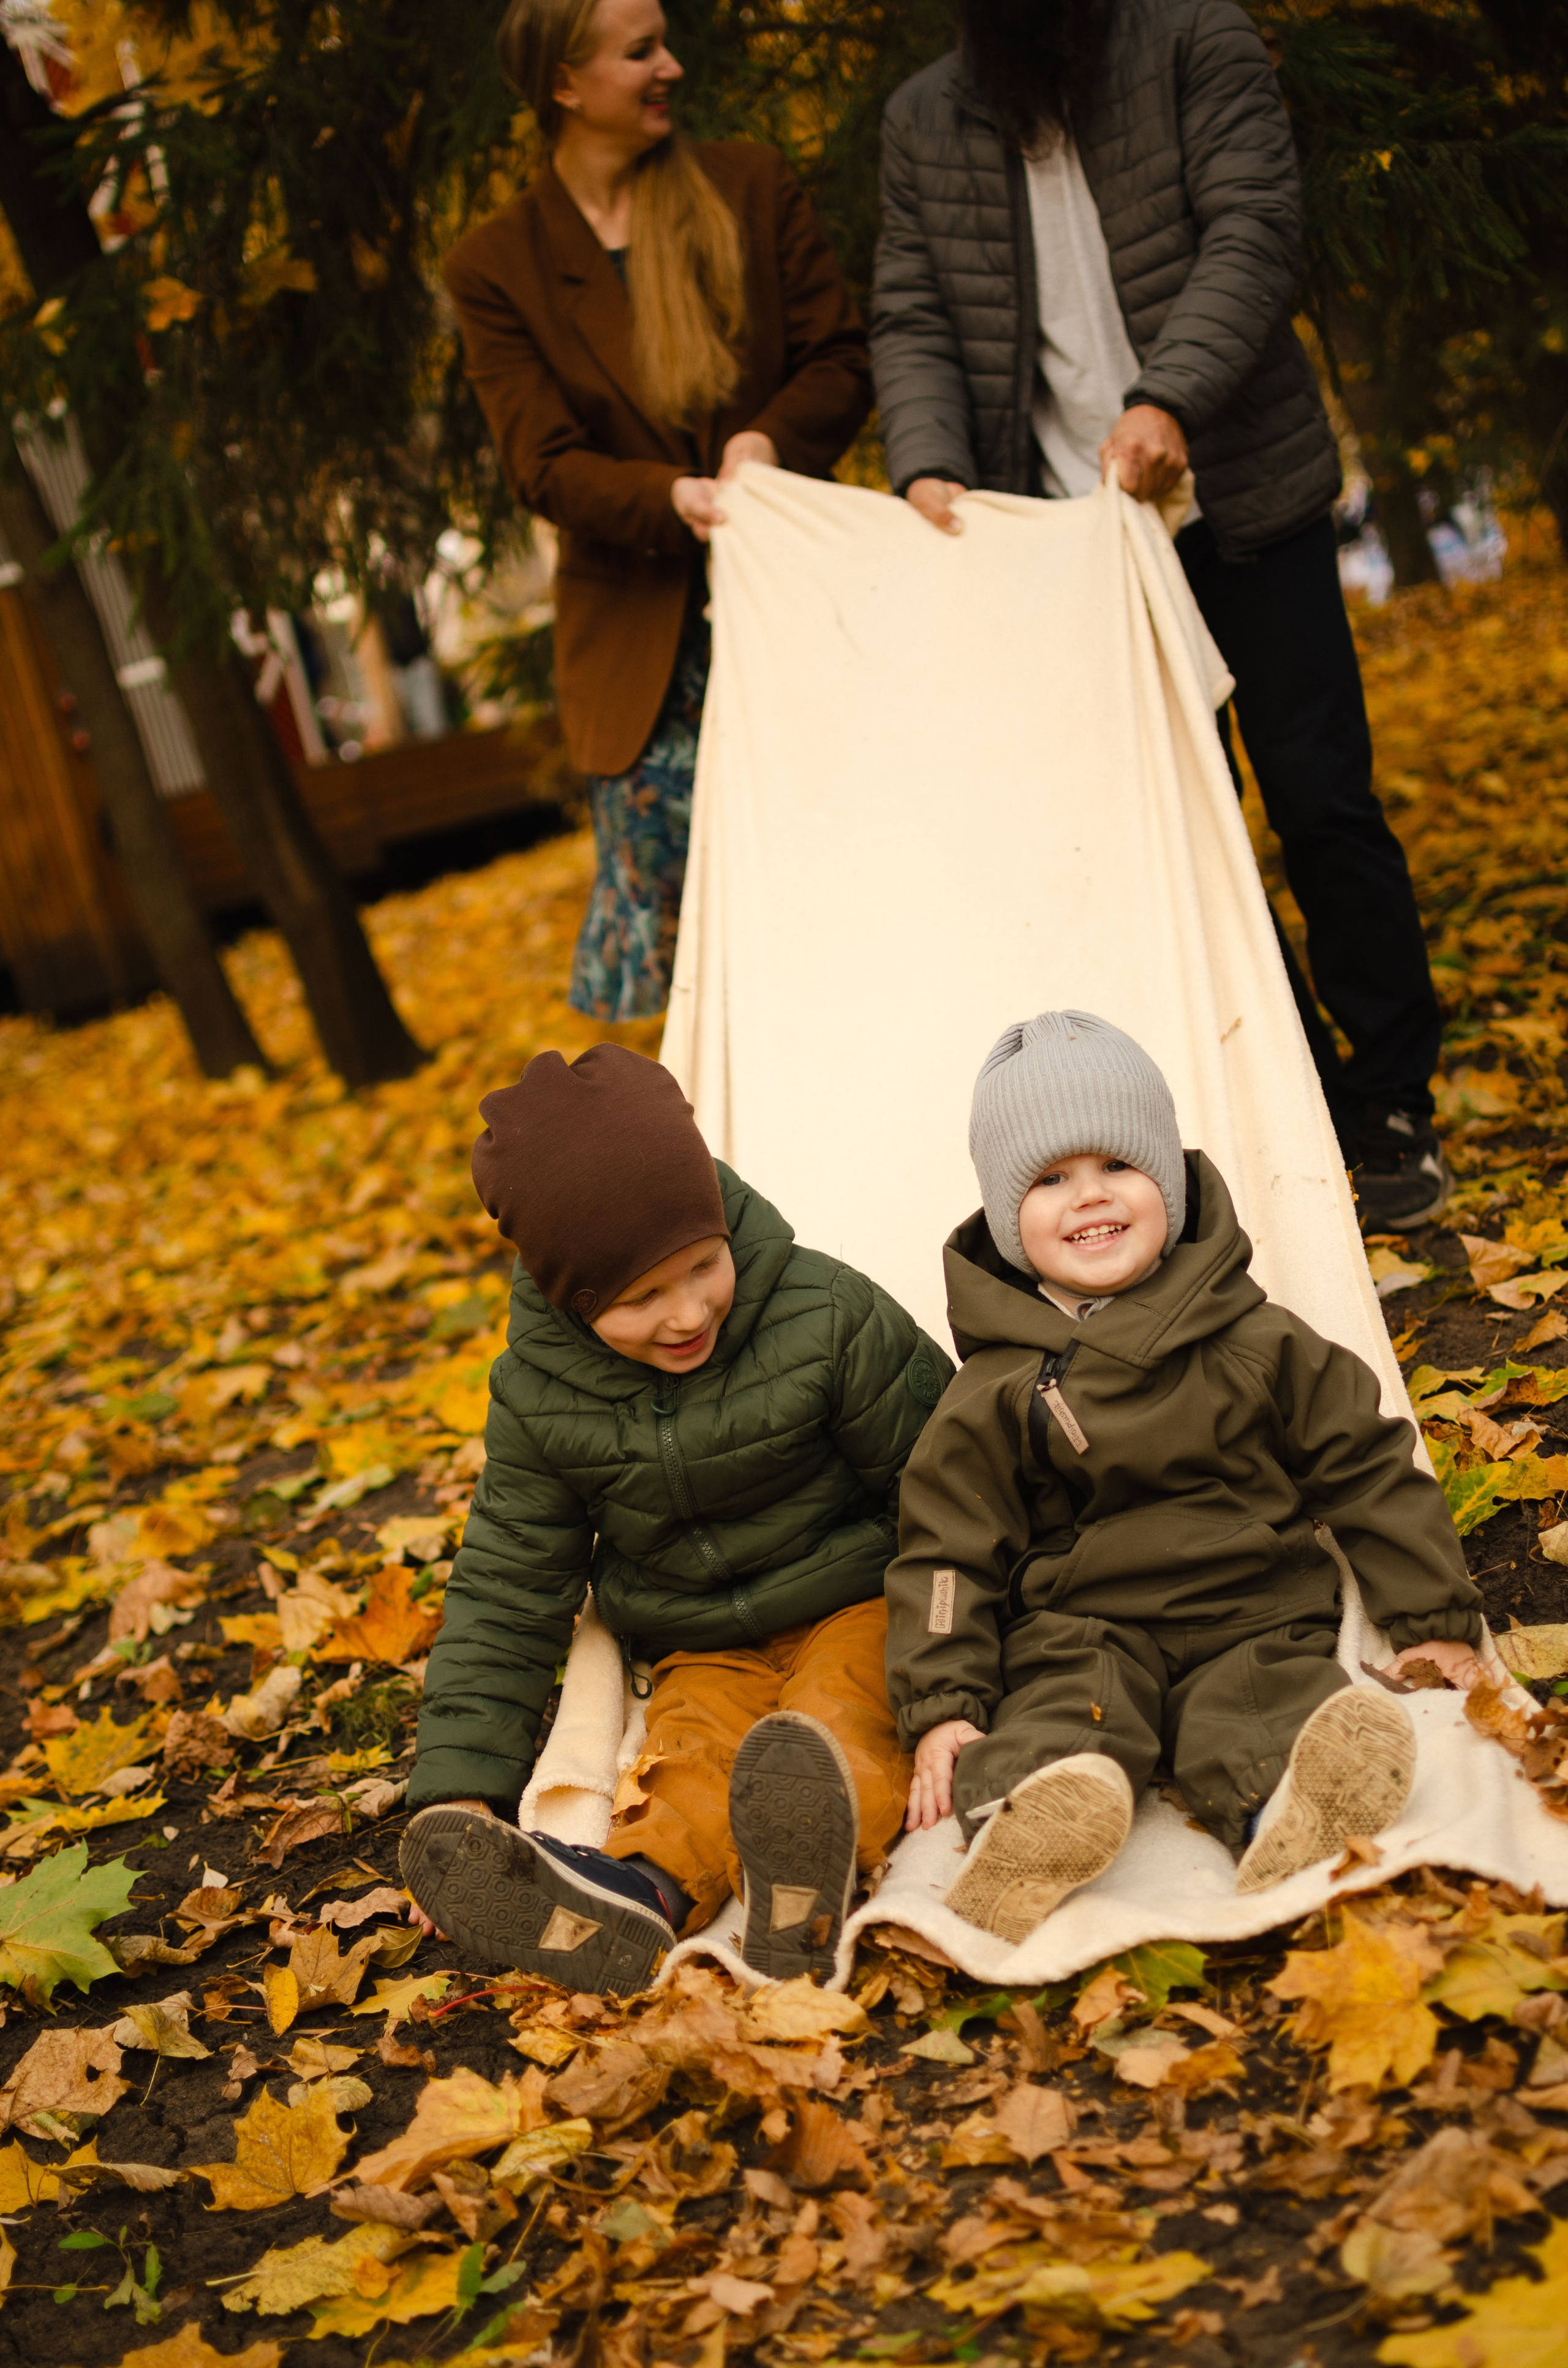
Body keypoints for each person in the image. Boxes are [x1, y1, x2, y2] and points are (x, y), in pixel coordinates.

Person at [869, 0, 1449, 1231]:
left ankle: (1396, 1101)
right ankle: (1300, 1111)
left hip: (1240, 503)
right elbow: (911, 309)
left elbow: (1253, 229)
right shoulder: (925, 115)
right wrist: (922, 458)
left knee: (1318, 800)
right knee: (1186, 846)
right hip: (1069, 554)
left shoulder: (1194, 42)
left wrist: (1168, 395)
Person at [885, 1012, 1482, 1945]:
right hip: (1083, 1623)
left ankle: (1290, 1808)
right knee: (1065, 1711)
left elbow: (1366, 1464)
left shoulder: (1255, 1338)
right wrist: (943, 1704)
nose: (1089, 1198)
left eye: (1117, 1167)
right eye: (1048, 1180)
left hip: (1248, 1606)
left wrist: (1433, 1617)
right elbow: (946, 1552)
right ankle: (1029, 1822)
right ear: (1009, 1221)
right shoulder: (998, 1386)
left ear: (1165, 1177)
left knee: (1267, 1704)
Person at [401, 1044, 952, 1991]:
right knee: (692, 1758)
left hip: (858, 1597)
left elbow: (948, 1489)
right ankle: (637, 1895)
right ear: (573, 1304)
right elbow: (508, 1578)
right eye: (639, 1297)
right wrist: (463, 1780)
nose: (686, 1311)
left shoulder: (825, 1315)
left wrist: (957, 1671)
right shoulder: (541, 1392)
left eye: (703, 1265)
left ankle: (802, 1887)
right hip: (700, 1641)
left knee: (838, 1724)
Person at [442, 0, 871, 1022]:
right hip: (642, 665)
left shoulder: (750, 187)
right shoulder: (496, 267)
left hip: (802, 619)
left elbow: (841, 360)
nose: (671, 66)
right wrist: (672, 499)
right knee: (692, 990)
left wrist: (763, 447)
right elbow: (543, 464)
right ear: (563, 84)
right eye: (641, 53)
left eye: (666, 42)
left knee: (848, 916)